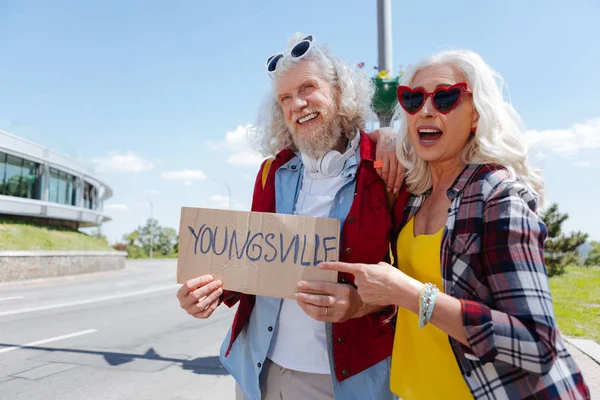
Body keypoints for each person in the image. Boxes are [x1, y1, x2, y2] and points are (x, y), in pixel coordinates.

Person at [318, 49, 591, 399]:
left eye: (446, 97)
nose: (427, 110)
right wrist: (363, 302)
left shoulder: (499, 197)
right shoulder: (415, 194)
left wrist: (409, 293)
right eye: (413, 99)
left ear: (476, 115)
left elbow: (536, 344)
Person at [177, 34, 402, 400]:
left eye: (307, 88)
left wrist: (359, 304)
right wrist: (211, 291)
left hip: (342, 379)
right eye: (285, 98)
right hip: (259, 370)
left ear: (340, 92)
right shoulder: (272, 172)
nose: (297, 104)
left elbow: (415, 276)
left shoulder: (385, 168)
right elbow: (258, 261)